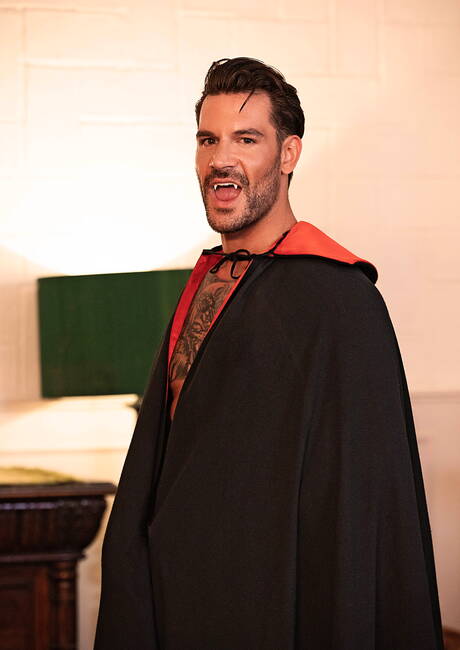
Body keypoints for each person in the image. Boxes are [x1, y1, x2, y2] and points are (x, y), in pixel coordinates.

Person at [94, 57, 444, 649]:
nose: (220, 159)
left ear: (288, 154)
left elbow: (359, 506)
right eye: (208, 140)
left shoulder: (339, 299)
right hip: (179, 599)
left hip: (274, 608)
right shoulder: (206, 280)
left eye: (246, 139)